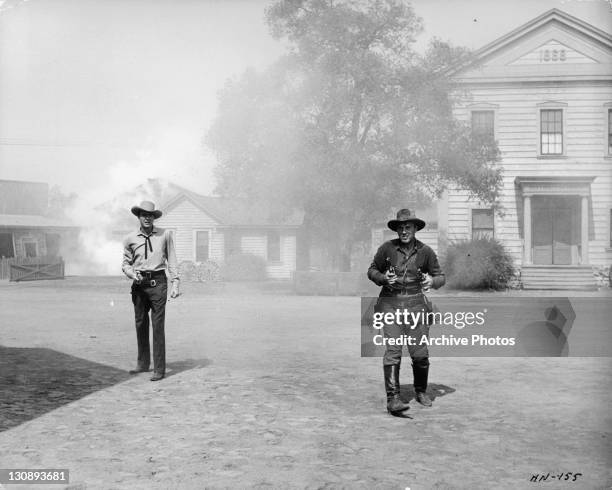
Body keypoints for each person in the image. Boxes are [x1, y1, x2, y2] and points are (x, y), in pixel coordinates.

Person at [367, 208, 445, 414]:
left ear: (415, 228)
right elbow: (372, 270)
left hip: (416, 307)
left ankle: (421, 391)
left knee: (419, 354)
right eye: (400, 227)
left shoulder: (426, 251)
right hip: (390, 306)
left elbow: (440, 276)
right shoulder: (387, 249)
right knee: (392, 351)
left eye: (407, 227)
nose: (403, 231)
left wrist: (432, 281)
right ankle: (393, 398)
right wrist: (383, 278)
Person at [122, 201, 180, 381]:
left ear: (154, 218)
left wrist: (176, 282)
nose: (147, 218)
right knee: (140, 323)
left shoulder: (165, 235)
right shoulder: (130, 238)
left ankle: (159, 369)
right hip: (139, 285)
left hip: (158, 283)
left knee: (157, 326)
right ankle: (143, 363)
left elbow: (172, 259)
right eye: (143, 215)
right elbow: (125, 264)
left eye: (150, 215)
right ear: (138, 217)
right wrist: (132, 274)